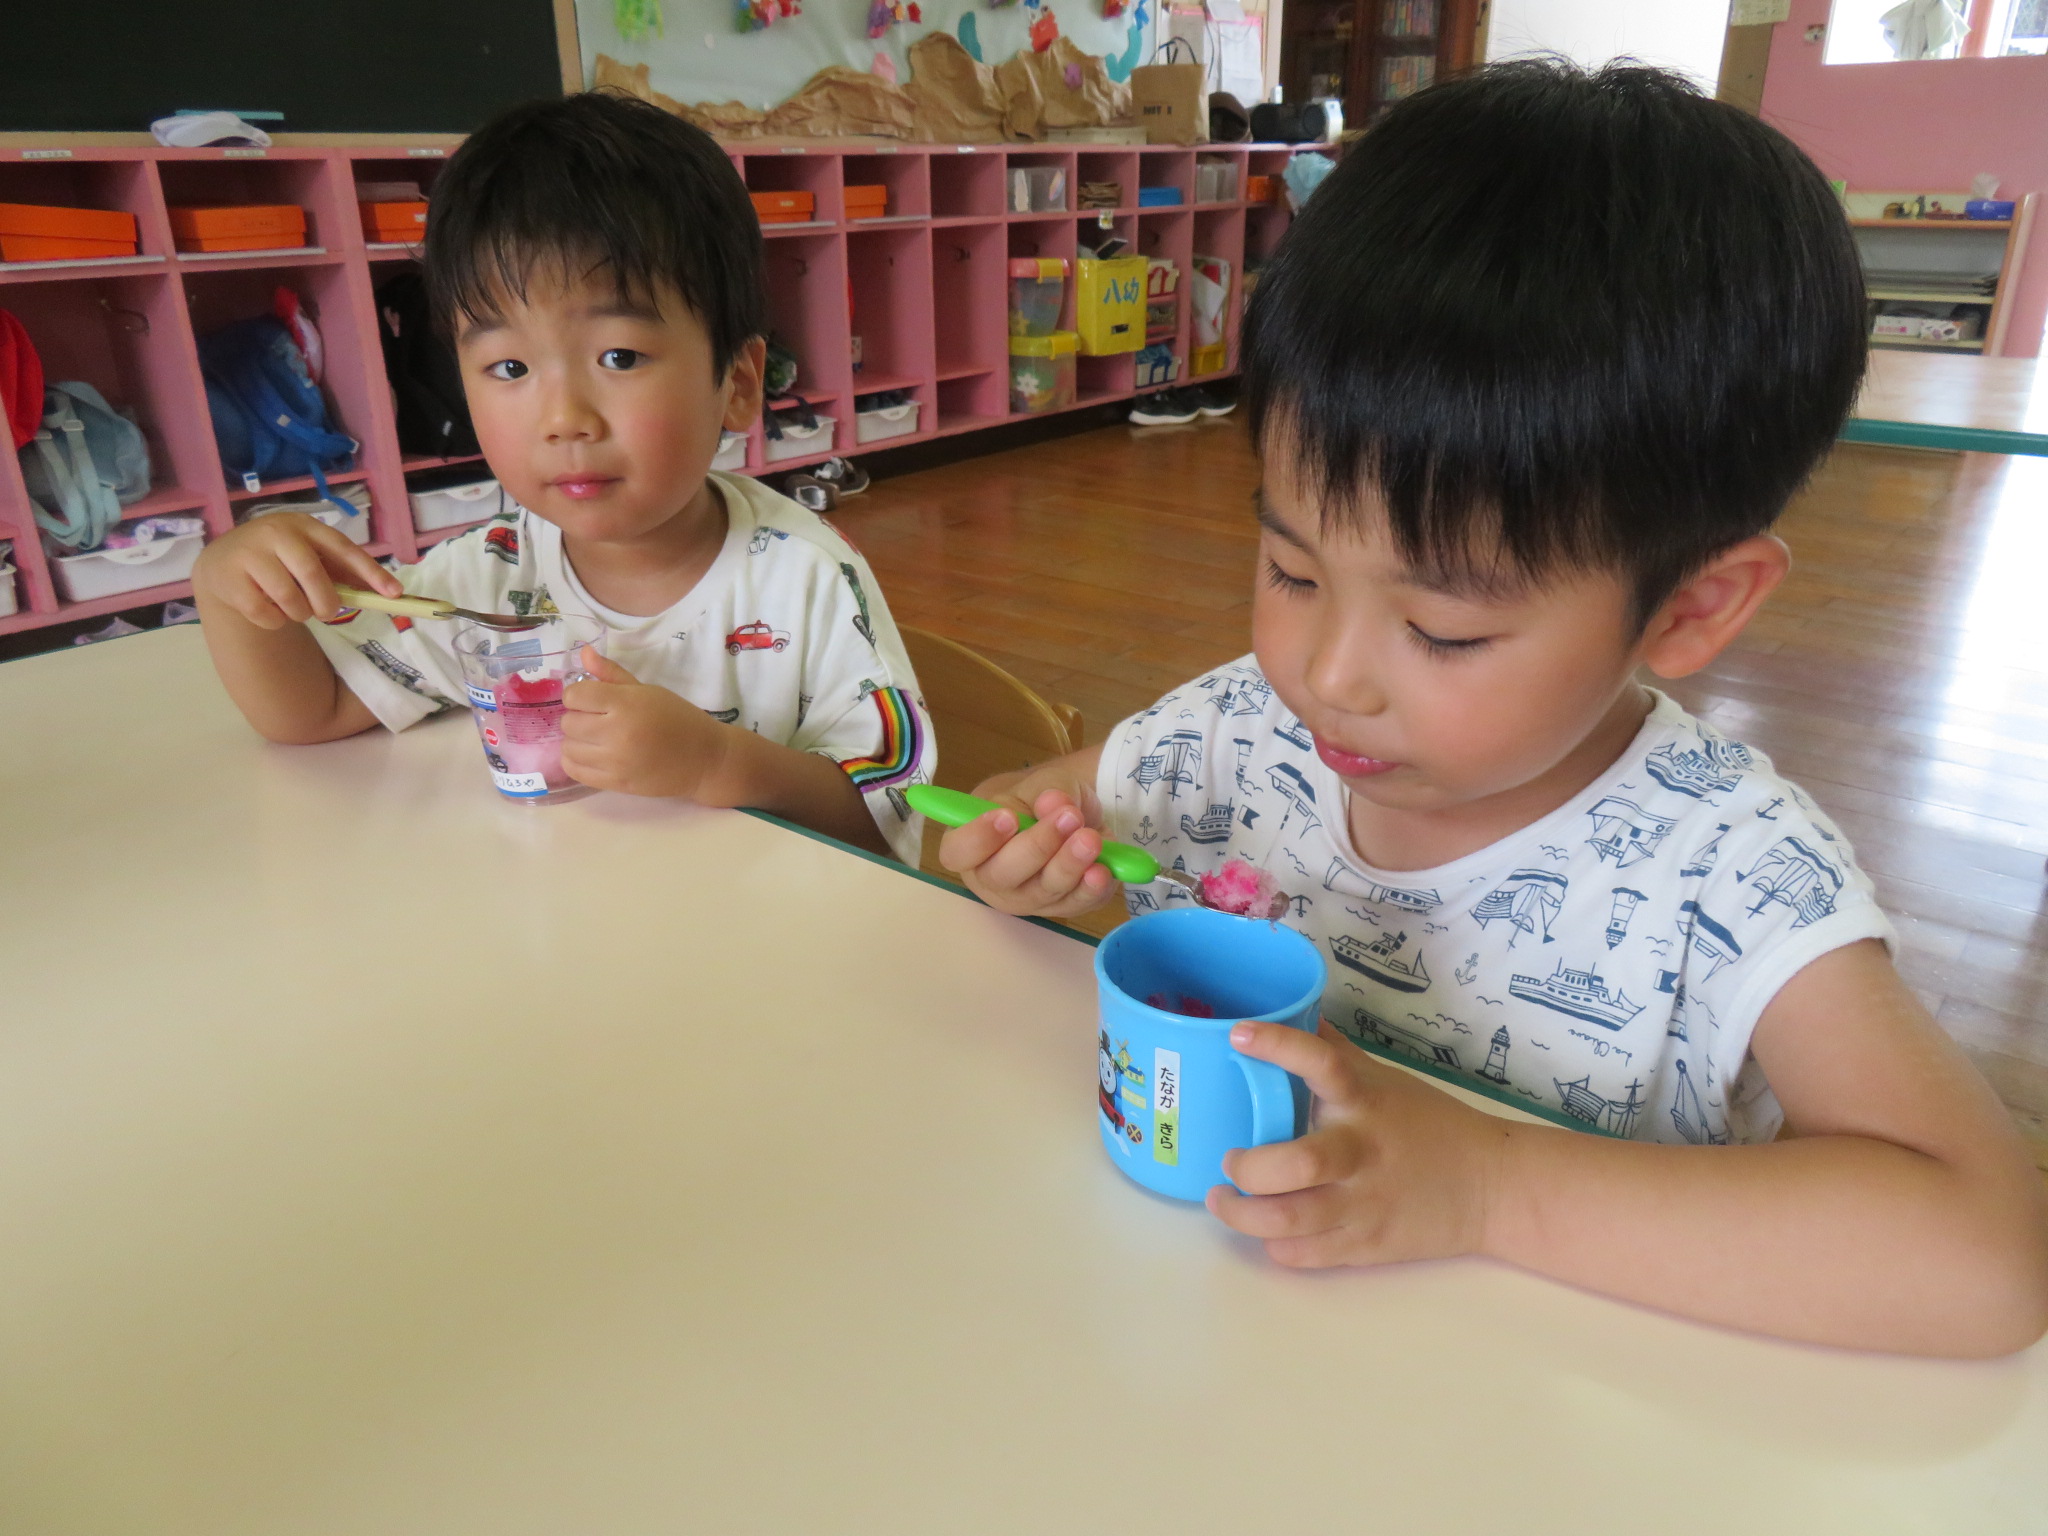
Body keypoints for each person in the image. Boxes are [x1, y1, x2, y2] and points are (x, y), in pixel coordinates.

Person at [939, 61, 2048, 1356]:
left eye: (1444, 630)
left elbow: (1986, 1259)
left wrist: (1486, 1188)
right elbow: (1040, 805)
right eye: (1291, 570)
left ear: (1690, 608)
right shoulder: (1238, 732)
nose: (1326, 675)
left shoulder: (1725, 875)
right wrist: (1029, 863)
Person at [191, 92, 932, 862]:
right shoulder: (489, 578)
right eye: (509, 367)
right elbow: (314, 713)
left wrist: (719, 764)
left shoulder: (805, 578)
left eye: (619, 356)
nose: (563, 418)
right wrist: (229, 589)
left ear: (739, 383)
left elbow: (890, 819)